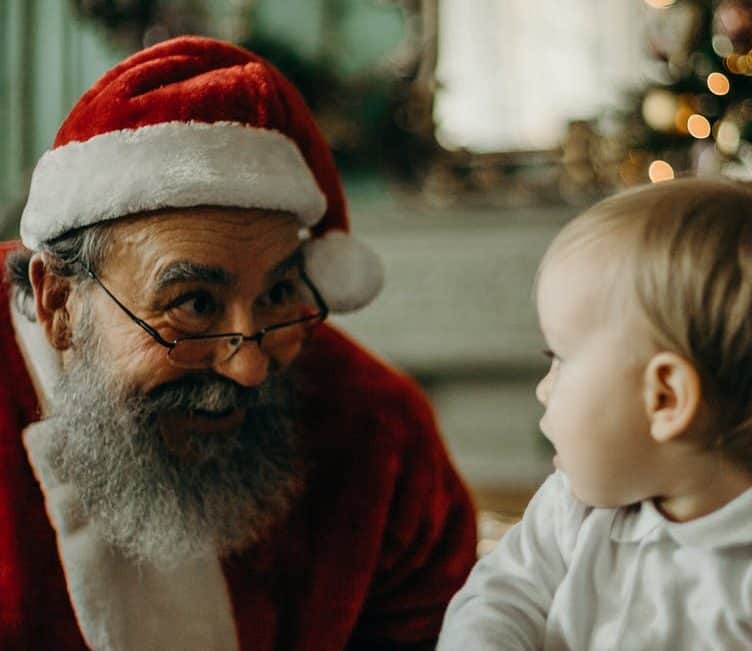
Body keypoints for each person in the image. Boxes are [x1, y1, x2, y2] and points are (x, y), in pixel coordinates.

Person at [0, 36, 477, 650]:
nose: (250, 366)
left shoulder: (379, 437)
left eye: (279, 296)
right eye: (194, 303)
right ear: (60, 302)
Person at [437, 177, 752, 650]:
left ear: (665, 398)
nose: (544, 388)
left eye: (559, 357)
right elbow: (499, 600)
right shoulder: (571, 510)